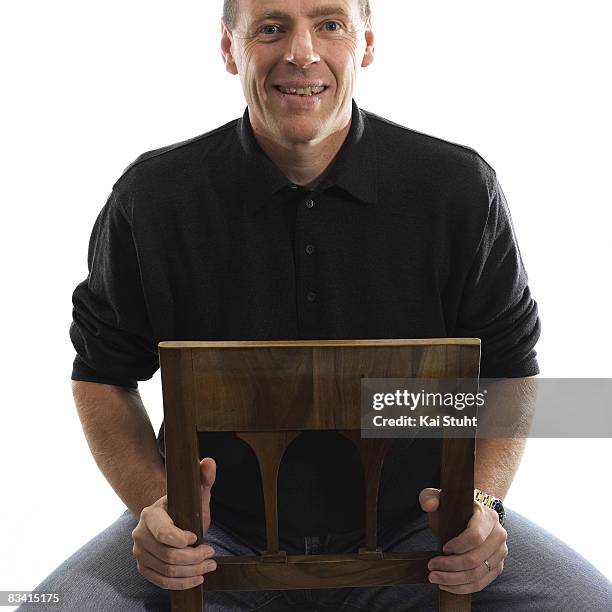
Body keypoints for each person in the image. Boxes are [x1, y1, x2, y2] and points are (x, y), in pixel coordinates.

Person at [20, 0, 612, 610]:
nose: (301, 53)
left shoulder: (458, 190)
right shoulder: (153, 198)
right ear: (229, 48)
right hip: (214, 539)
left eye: (329, 24)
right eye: (271, 28)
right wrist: (156, 507)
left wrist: (483, 506)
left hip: (421, 536)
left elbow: (511, 369)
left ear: (367, 44)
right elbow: (102, 376)